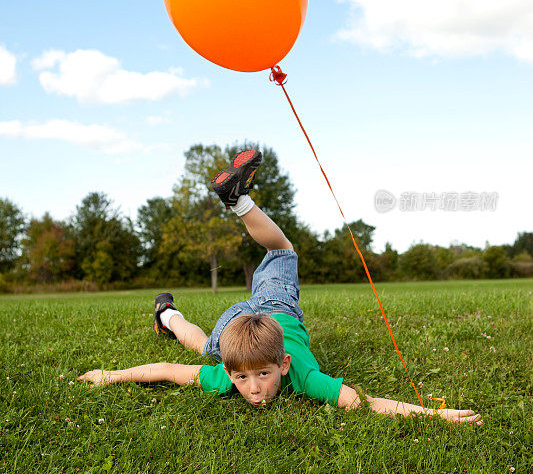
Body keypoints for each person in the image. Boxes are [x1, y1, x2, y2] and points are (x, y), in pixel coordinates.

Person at [78, 149, 482, 425]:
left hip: (266, 309)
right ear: (232, 370)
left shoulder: (295, 373)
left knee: (207, 343)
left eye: (264, 376)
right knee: (211, 341)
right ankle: (172, 305)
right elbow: (166, 370)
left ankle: (169, 310)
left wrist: (434, 415)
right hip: (260, 312)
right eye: (242, 379)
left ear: (284, 365)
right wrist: (107, 375)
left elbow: (365, 402)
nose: (253, 390)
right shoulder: (251, 373)